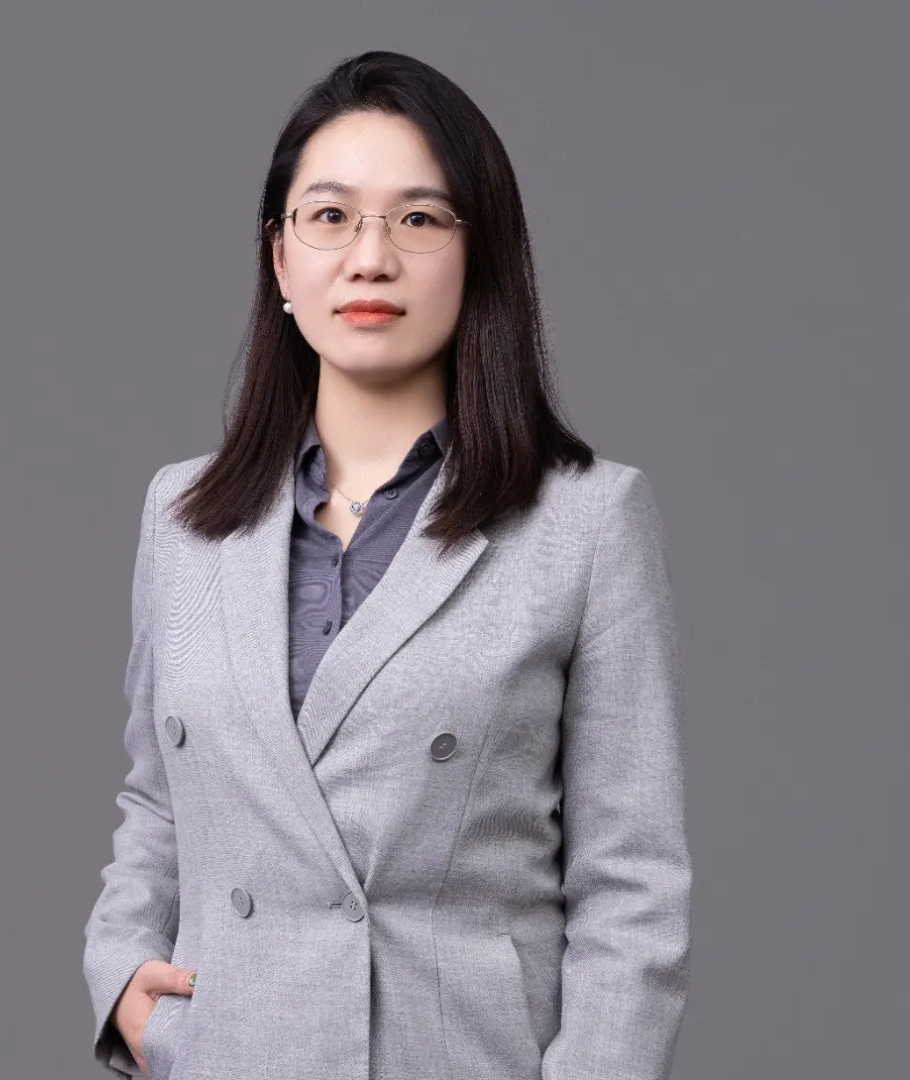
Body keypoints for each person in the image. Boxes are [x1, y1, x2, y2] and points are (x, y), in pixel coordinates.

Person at [83, 49, 691, 1080]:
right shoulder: (183, 516)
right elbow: (158, 800)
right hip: (226, 1053)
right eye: (329, 216)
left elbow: (633, 884)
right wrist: (121, 972)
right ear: (280, 259)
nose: (371, 258)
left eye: (418, 218)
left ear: (478, 255)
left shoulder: (585, 523)